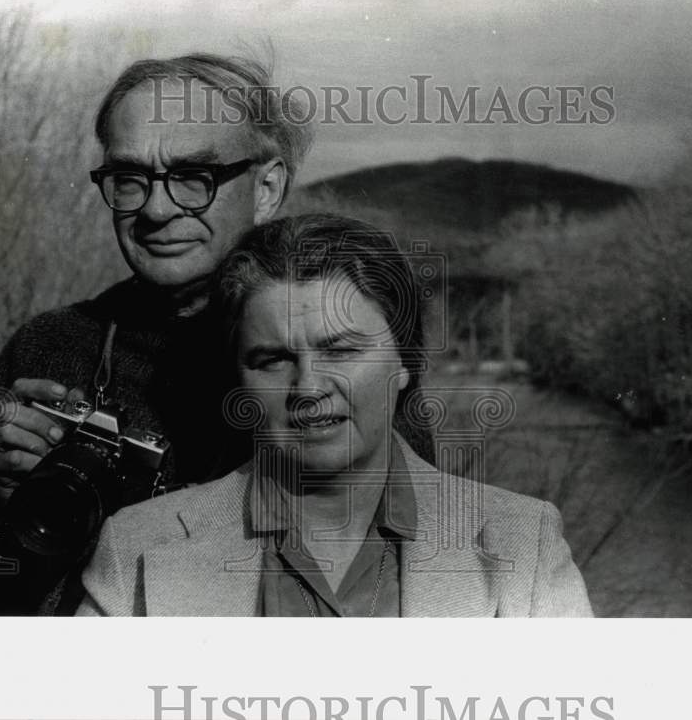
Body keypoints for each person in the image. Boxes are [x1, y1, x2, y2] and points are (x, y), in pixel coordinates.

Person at [0, 52, 313, 615]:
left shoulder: (336, 356)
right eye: (130, 179)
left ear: (267, 188)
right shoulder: (49, 350)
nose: (157, 210)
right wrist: (4, 519)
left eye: (195, 178)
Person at [78, 214, 593, 617]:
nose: (309, 387)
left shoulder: (522, 542)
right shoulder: (139, 547)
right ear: (238, 378)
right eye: (273, 360)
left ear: (405, 364)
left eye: (341, 351)